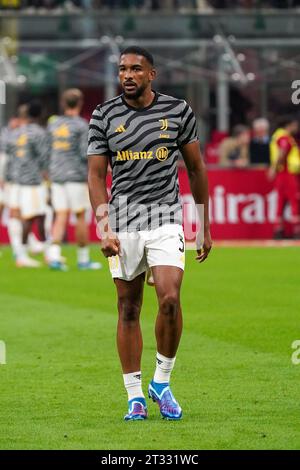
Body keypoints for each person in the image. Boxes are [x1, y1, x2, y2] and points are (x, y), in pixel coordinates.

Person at [88, 46, 212, 421]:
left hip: (165, 217)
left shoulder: (177, 111)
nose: (127, 75)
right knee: (128, 308)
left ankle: (162, 380)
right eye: (123, 69)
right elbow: (95, 175)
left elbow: (196, 168)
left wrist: (204, 225)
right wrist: (103, 225)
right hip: (123, 221)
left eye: (136, 69)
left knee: (170, 298)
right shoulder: (104, 115)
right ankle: (134, 397)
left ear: (151, 74)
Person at [47, 89, 101, 271]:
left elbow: (48, 150)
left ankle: (54, 257)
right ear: (79, 103)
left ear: (63, 103)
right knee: (79, 216)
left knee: (60, 214)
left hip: (56, 175)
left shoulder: (53, 124)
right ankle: (83, 259)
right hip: (75, 176)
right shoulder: (81, 125)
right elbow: (83, 152)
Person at [9, 101, 49, 267]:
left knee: (38, 215)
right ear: (39, 115)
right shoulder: (39, 133)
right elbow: (44, 158)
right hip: (31, 181)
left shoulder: (17, 132)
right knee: (30, 217)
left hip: (16, 180)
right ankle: (22, 255)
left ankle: (46, 250)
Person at [269, 117, 300, 239]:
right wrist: (274, 168)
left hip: (281, 174)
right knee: (294, 202)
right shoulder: (284, 137)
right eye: (295, 125)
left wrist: (274, 169)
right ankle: (297, 231)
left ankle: (278, 231)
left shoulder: (277, 136)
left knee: (280, 203)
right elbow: (282, 152)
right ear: (289, 125)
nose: (296, 128)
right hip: (287, 174)